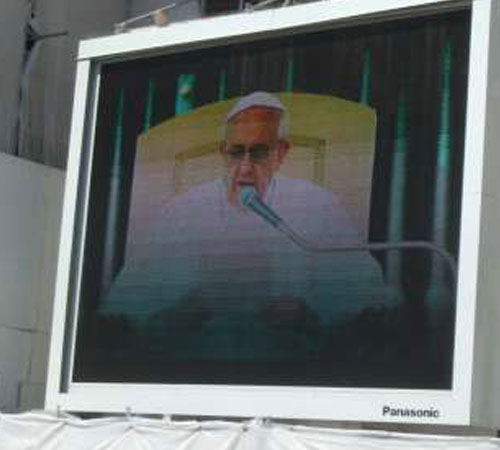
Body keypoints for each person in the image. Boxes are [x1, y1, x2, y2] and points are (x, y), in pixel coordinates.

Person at [101, 92, 396, 361]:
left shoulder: (318, 207)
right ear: (222, 151)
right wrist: (180, 313)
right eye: (235, 152)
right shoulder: (180, 213)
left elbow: (374, 309)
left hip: (289, 376)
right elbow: (119, 317)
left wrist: (309, 316)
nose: (244, 168)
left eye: (258, 153)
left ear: (281, 153)